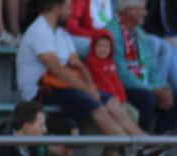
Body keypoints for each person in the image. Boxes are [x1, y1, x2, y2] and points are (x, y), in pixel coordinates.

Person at [18, 0, 146, 144]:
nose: (70, 13)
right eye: (68, 8)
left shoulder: (60, 33)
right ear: (57, 9)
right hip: (41, 90)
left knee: (112, 102)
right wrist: (87, 90)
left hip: (62, 85)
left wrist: (90, 86)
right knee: (99, 109)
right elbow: (58, 70)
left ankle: (146, 144)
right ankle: (132, 150)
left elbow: (78, 65)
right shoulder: (39, 31)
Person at [110, 0, 177, 135]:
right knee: (148, 98)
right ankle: (140, 147)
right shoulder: (112, 32)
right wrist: (154, 91)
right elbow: (121, 74)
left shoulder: (138, 32)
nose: (145, 13)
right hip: (120, 87)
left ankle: (156, 149)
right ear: (130, 11)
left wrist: (158, 88)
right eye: (142, 9)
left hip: (144, 84)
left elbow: (150, 66)